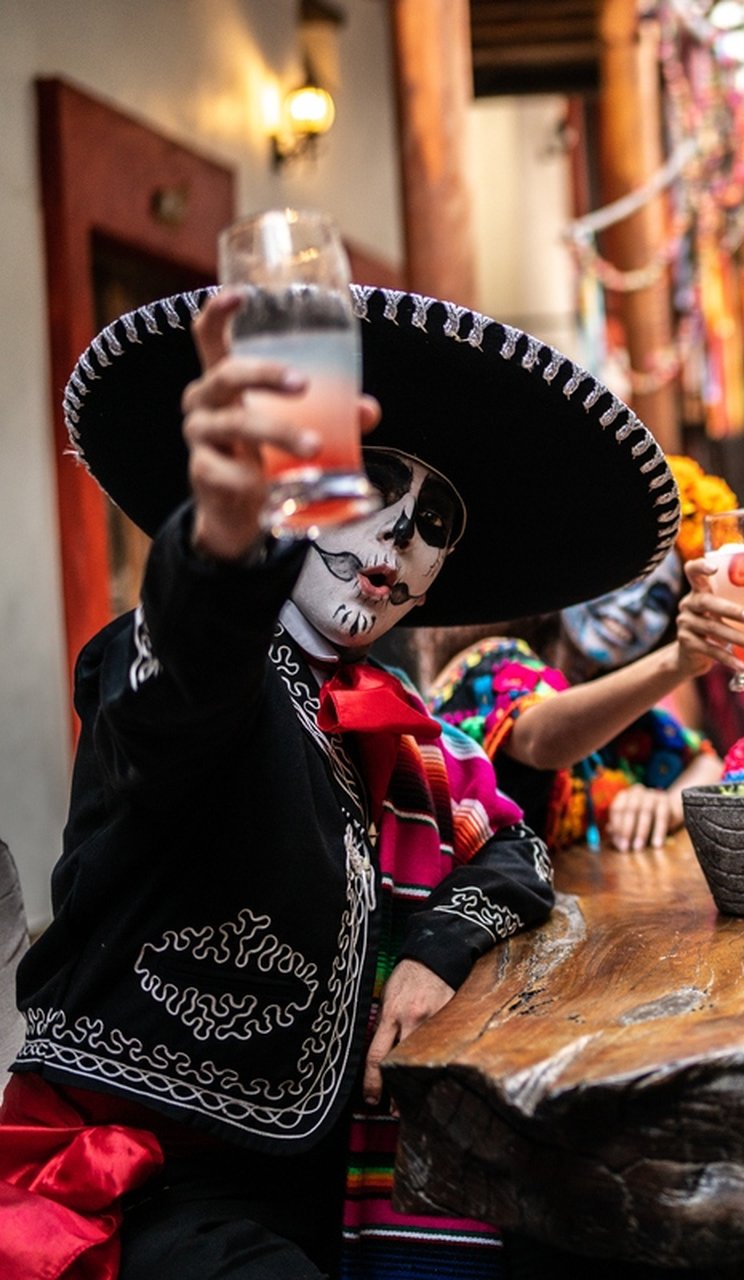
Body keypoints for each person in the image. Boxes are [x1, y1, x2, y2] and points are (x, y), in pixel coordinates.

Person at [2, 282, 683, 1279]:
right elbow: (183, 678)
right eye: (368, 494)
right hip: (145, 1177)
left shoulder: (396, 722)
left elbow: (513, 846)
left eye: (432, 520)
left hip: (334, 1172)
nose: (396, 542)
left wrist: (436, 949)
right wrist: (222, 540)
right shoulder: (168, 672)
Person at [423, 456, 744, 855]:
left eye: (659, 598)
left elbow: (707, 763)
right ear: (572, 575)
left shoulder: (621, 716)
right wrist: (677, 662)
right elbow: (542, 739)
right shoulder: (488, 664)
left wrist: (663, 804)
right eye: (625, 580)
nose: (633, 606)